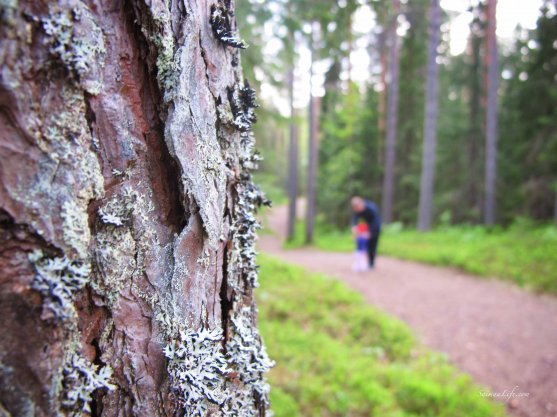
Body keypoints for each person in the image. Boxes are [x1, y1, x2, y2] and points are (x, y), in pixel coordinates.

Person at [351, 196, 382, 269]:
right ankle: (361, 262)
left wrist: (370, 232)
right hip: (366, 227)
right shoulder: (358, 210)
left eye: (358, 208)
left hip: (375, 227)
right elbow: (355, 218)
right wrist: (354, 227)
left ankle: (371, 263)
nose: (357, 210)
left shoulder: (371, 209)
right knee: (362, 244)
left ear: (361, 204)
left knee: (372, 245)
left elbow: (376, 222)